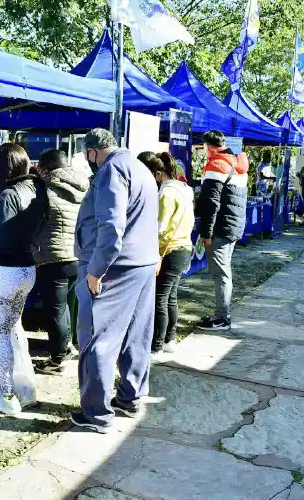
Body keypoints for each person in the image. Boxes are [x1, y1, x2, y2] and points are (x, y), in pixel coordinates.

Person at [70, 129, 159, 433]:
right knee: (136, 334)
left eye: (88, 156)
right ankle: (130, 397)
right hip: (142, 263)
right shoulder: (140, 167)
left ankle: (97, 413)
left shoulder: (111, 171)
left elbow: (112, 225)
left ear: (94, 152)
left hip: (116, 267)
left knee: (98, 338)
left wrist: (96, 270)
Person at [0, 143, 48, 415]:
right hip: (26, 267)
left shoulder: (9, 194)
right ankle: (21, 387)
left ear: (6, 167)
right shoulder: (37, 189)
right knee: (13, 328)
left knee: (1, 333)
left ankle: (5, 394)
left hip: (2, 271)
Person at [32, 149, 89, 375]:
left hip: (53, 257)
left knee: (54, 311)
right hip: (76, 255)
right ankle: (67, 348)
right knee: (64, 307)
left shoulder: (45, 190)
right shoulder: (82, 187)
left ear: (46, 169)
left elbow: (34, 222)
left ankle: (57, 359)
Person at [138, 152, 195, 361]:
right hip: (182, 248)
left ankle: (156, 347)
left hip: (169, 250)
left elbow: (160, 228)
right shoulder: (183, 190)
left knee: (160, 299)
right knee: (170, 297)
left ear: (158, 174)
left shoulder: (166, 194)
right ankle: (170, 339)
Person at [196, 130, 249, 332]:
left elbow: (211, 205)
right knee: (223, 272)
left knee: (221, 274)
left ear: (209, 146)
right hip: (233, 226)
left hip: (220, 228)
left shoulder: (216, 165)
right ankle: (221, 314)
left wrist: (206, 233)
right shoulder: (236, 163)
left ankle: (222, 318)